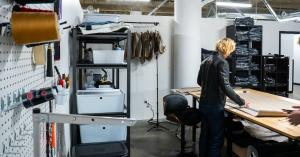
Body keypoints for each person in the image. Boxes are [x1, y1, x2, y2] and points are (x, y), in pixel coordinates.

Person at [197, 38, 249, 157]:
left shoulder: (205, 60)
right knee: (216, 139)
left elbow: (199, 81)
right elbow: (226, 86)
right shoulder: (222, 62)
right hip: (214, 106)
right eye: (231, 49)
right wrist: (241, 102)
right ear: (227, 48)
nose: (231, 53)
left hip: (203, 104)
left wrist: (211, 86)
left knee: (204, 136)